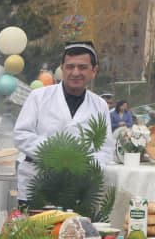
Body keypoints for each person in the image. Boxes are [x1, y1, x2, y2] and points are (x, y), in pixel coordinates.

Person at [11, 41, 115, 204]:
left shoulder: (99, 105)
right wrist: (57, 155)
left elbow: (105, 148)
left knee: (75, 230)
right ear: (62, 68)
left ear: (94, 71)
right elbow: (21, 135)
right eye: (70, 66)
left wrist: (84, 166)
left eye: (82, 67)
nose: (75, 72)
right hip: (37, 185)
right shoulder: (38, 96)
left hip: (78, 191)